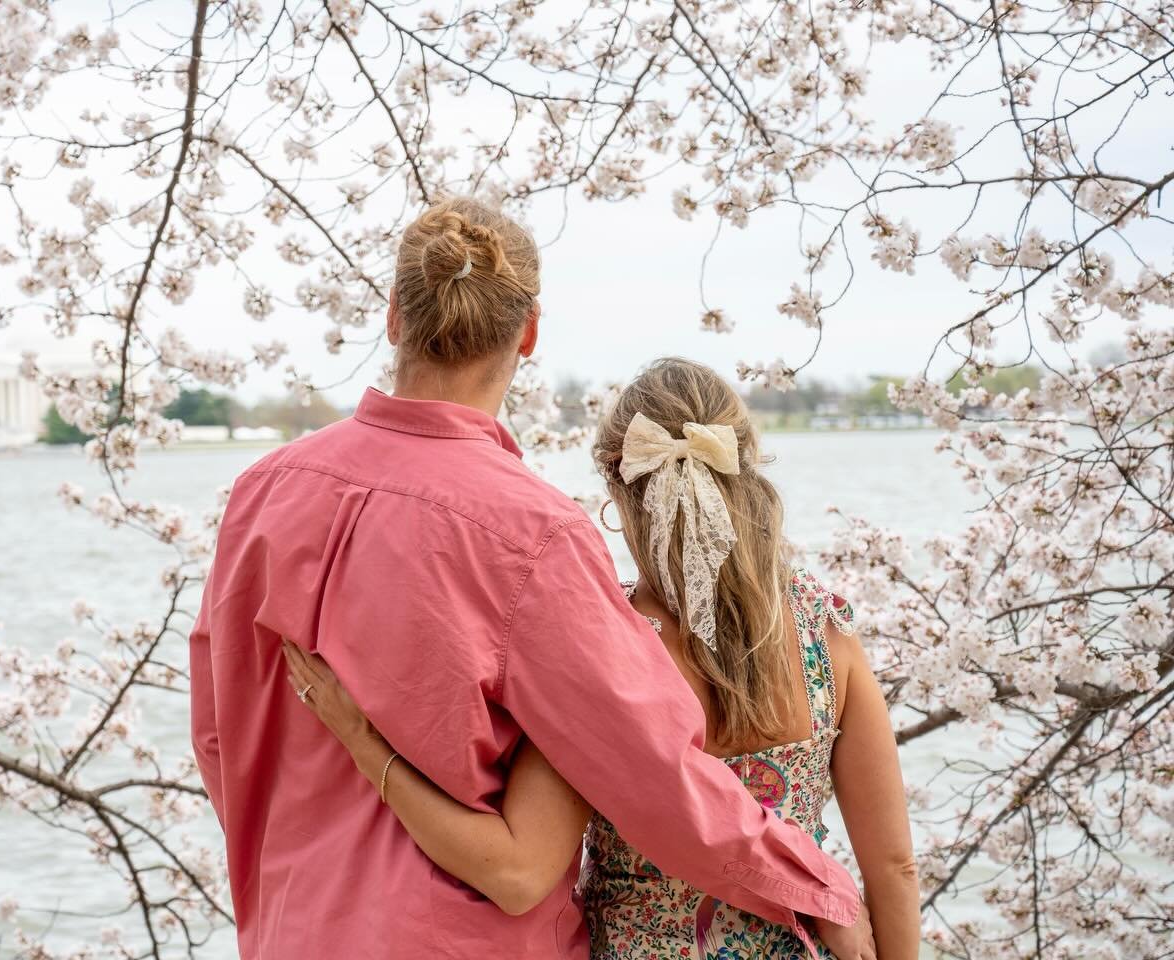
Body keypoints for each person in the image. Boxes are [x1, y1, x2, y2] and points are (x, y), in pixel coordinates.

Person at [189, 198, 870, 960]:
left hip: (293, 932)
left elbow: (220, 735)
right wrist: (815, 887)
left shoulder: (262, 492)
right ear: (531, 333)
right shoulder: (533, 535)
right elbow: (653, 773)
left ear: (392, 317)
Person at [283, 358, 919, 960]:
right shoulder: (825, 633)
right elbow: (893, 866)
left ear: (617, 487)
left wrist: (366, 743)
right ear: (746, 468)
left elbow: (514, 871)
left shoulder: (603, 648)